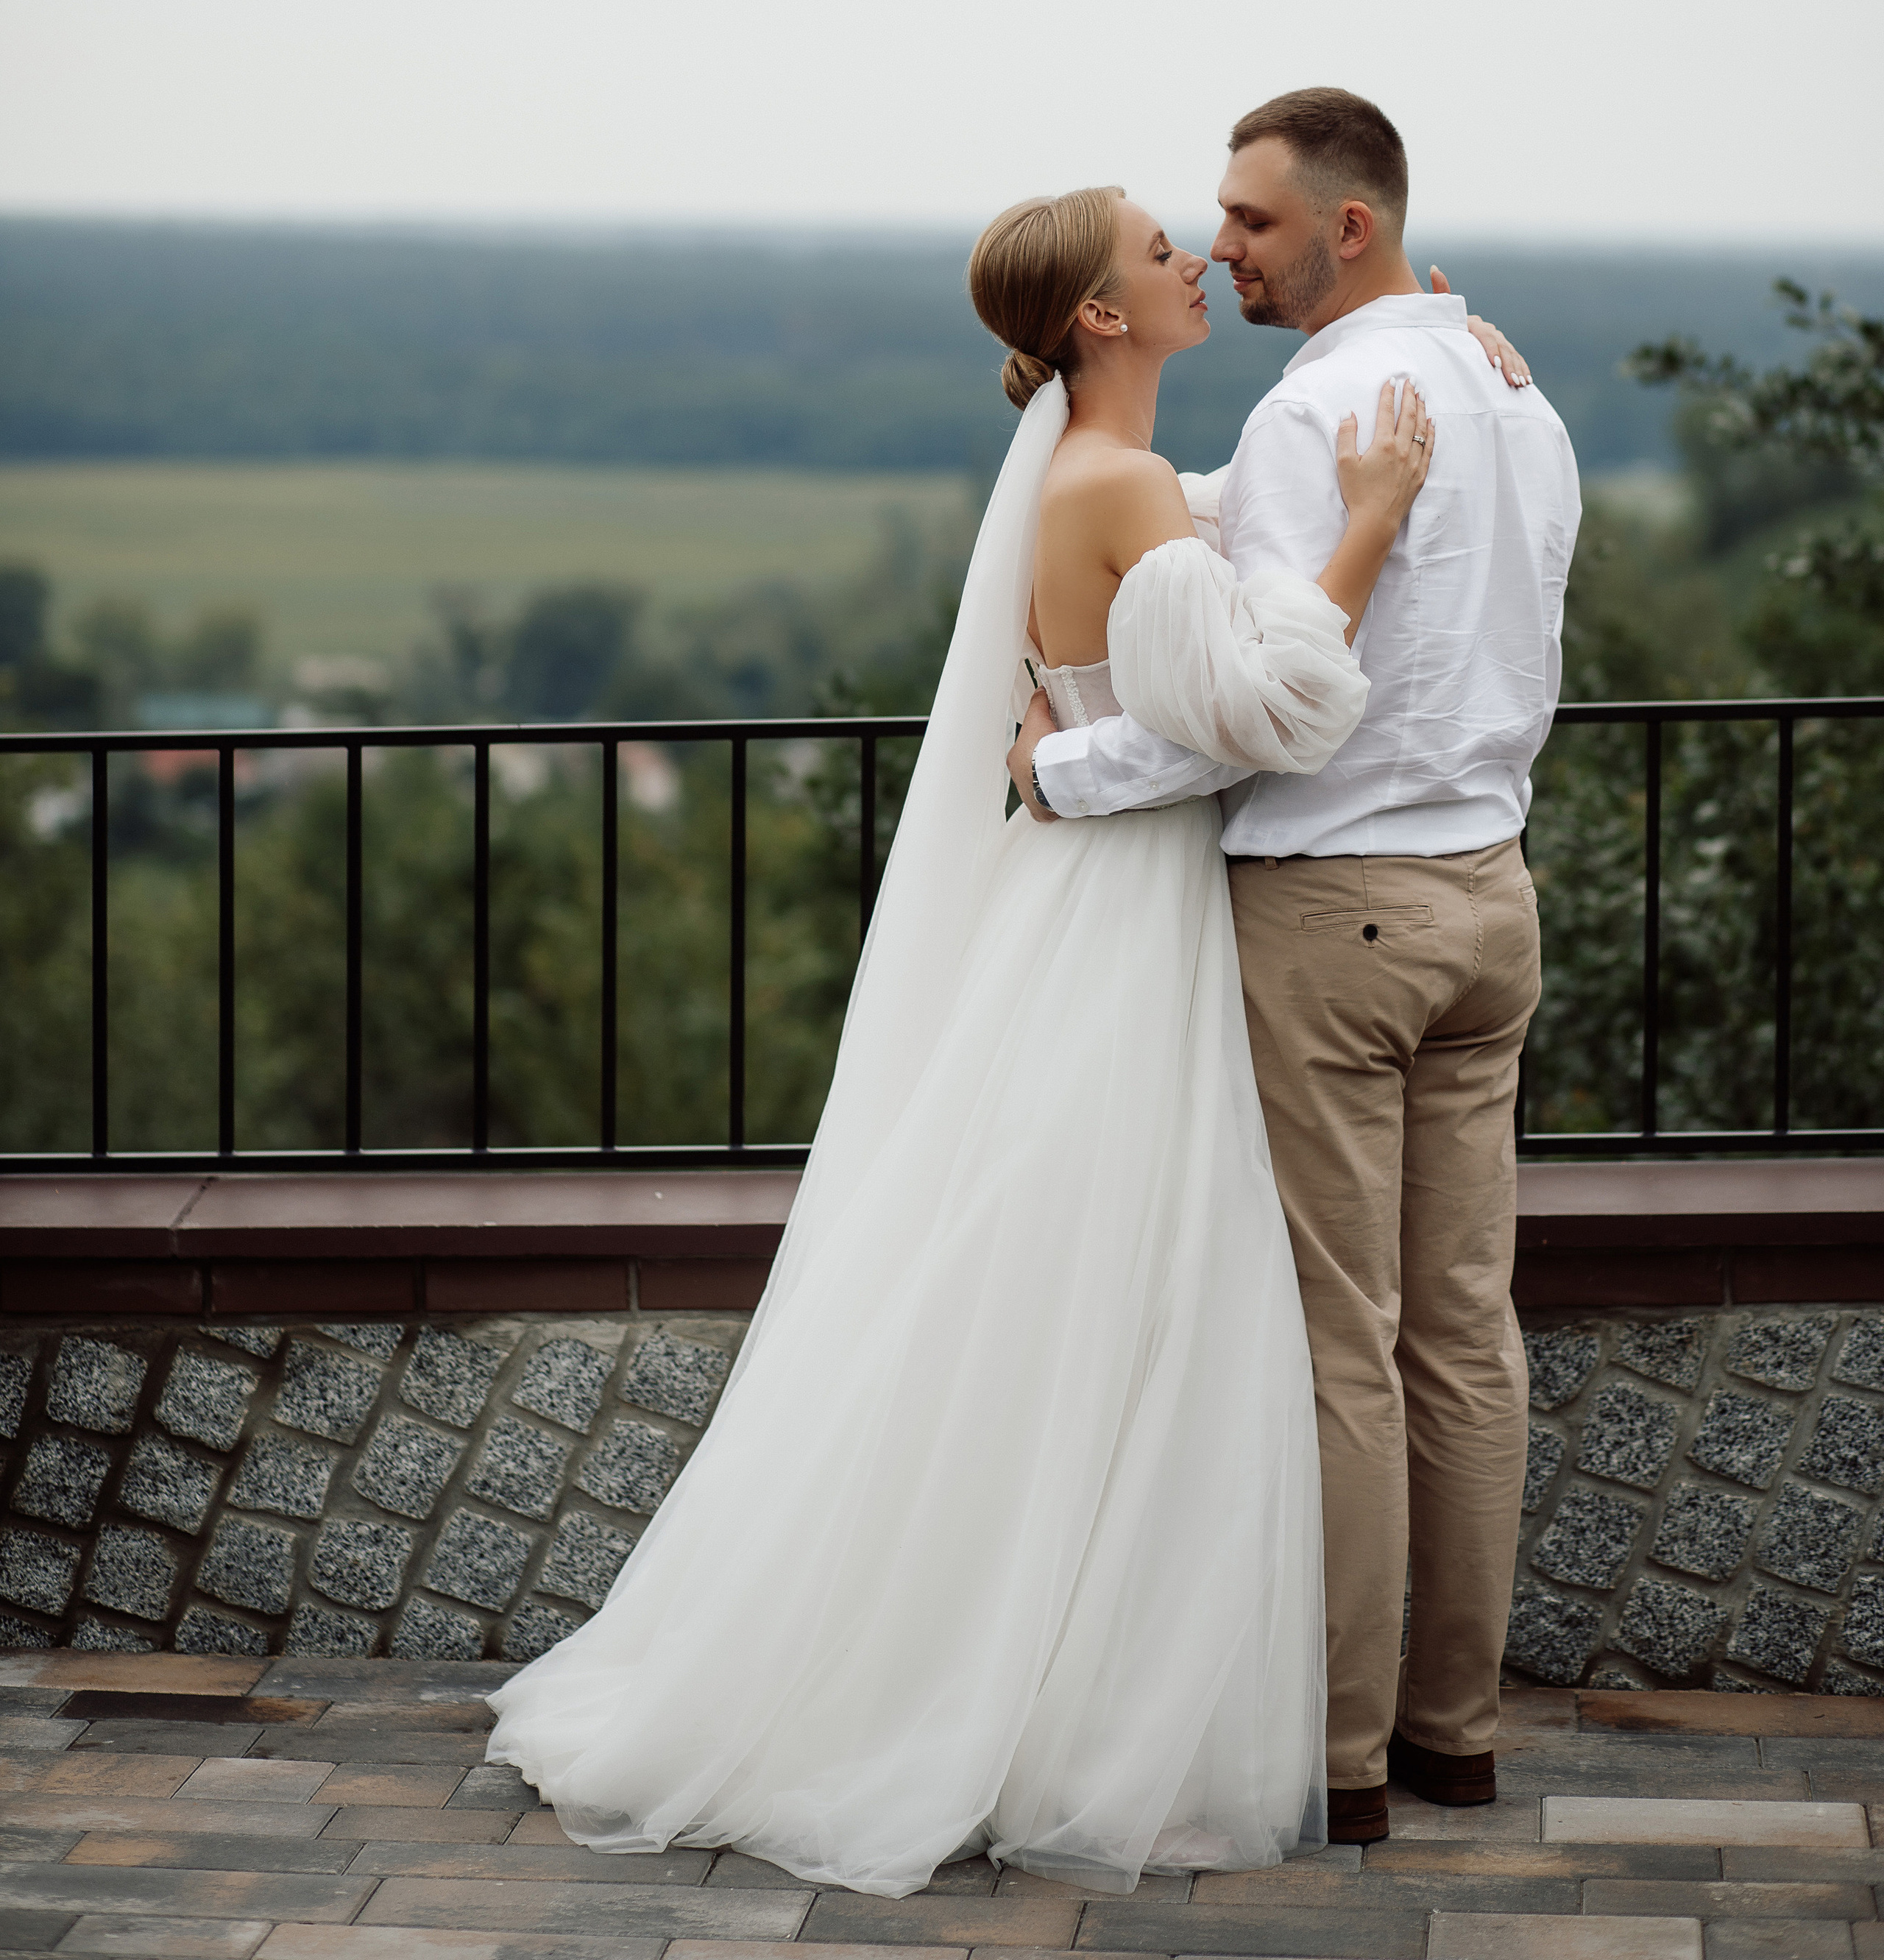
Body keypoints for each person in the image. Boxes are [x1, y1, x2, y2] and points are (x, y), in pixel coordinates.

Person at [486, 181, 1437, 1893]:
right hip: (1117, 930)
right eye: (1163, 250)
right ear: (1095, 315)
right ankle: (1039, 1710)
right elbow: (1268, 711)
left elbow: (1202, 553)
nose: (1195, 261)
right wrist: (1369, 518)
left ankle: (1032, 1689)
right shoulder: (1113, 481)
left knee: (1068, 1292)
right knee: (1105, 1296)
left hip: (1093, 903)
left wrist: (1435, 338)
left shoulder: (1109, 477)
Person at [1016, 91, 1580, 1847]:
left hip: (1334, 914)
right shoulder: (1515, 392)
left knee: (1345, 1341)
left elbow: (1232, 713)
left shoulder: (1304, 412)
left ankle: (1339, 1762)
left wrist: (1059, 772)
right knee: (1464, 1336)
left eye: (1248, 222)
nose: (1222, 248)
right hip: (1489, 903)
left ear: (1346, 227)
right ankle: (1454, 1734)